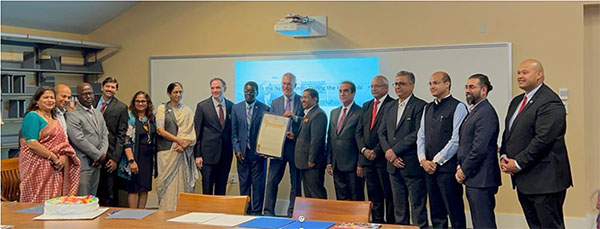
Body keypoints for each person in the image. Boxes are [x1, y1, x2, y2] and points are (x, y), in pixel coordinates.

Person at [500, 59, 572, 228]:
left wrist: (517, 163)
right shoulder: (517, 101)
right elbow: (508, 133)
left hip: (545, 180)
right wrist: (504, 155)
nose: (520, 76)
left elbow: (543, 139)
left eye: (525, 72)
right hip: (524, 179)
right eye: (518, 72)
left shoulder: (550, 102)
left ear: (539, 75)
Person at [417, 71, 467, 228]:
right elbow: (421, 136)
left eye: (436, 83)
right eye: (430, 83)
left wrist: (435, 161)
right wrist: (422, 160)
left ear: (447, 84)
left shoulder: (458, 107)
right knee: (436, 212)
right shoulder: (427, 107)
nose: (432, 86)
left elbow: (456, 140)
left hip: (447, 170)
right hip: (428, 169)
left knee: (454, 211)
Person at [378, 71, 428, 228]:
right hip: (392, 165)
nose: (398, 86)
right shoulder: (390, 106)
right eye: (396, 83)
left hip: (411, 164)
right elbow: (381, 132)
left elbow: (418, 133)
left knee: (417, 206)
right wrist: (389, 152)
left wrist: (395, 151)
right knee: (399, 207)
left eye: (402, 83)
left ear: (412, 85)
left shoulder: (420, 106)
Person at [19, 86, 81, 203]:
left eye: (52, 97)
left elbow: (63, 143)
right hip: (37, 166)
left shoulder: (55, 119)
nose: (50, 100)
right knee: (36, 200)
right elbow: (32, 144)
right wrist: (53, 157)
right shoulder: (32, 116)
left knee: (55, 200)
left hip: (56, 167)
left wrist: (63, 157)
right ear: (37, 102)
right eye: (45, 97)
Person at [456, 73, 501, 228]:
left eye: (472, 87)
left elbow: (479, 147)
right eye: (466, 87)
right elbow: (464, 143)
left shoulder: (486, 112)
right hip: (474, 178)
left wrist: (464, 170)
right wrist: (459, 166)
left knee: (484, 223)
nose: (468, 90)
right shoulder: (474, 111)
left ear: (483, 90)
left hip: (482, 178)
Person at [356, 75, 395, 223]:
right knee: (374, 196)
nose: (373, 89)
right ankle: (377, 223)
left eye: (377, 86)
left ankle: (390, 224)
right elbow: (358, 132)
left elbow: (388, 133)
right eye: (372, 86)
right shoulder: (366, 105)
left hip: (384, 159)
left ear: (385, 88)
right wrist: (364, 150)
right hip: (368, 160)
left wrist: (376, 151)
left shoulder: (392, 104)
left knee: (389, 195)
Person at [264, 72, 303, 217]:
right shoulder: (275, 102)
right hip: (277, 148)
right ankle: (268, 212)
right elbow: (270, 124)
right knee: (272, 181)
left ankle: (293, 213)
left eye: (289, 84)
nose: (286, 87)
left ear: (295, 85)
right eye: (284, 83)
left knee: (296, 183)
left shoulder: (302, 100)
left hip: (295, 147)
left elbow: (307, 122)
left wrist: (296, 128)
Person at [155, 82, 198, 210]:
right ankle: (165, 211)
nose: (178, 95)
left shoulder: (187, 110)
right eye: (175, 92)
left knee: (181, 184)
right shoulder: (162, 109)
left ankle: (181, 211)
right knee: (166, 185)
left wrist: (184, 145)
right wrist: (178, 140)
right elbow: (160, 130)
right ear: (169, 94)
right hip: (167, 153)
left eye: (180, 92)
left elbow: (190, 133)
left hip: (182, 154)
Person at [231, 81, 270, 215]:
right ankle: (245, 211)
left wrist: (265, 149)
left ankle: (257, 212)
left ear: (257, 92)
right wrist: (237, 150)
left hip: (258, 154)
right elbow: (234, 133)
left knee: (258, 186)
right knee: (244, 184)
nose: (249, 94)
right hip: (242, 153)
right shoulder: (236, 108)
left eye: (252, 91)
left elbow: (267, 133)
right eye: (246, 91)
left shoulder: (265, 108)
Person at [66, 83, 109, 196]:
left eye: (90, 93)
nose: (88, 97)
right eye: (84, 94)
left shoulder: (98, 113)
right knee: (82, 198)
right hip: (84, 163)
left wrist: (102, 154)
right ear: (78, 96)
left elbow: (104, 134)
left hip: (97, 163)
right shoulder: (72, 115)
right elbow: (78, 139)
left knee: (92, 199)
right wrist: (97, 155)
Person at [326, 81, 365, 201]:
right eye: (340, 91)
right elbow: (331, 138)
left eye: (346, 91)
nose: (342, 94)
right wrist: (329, 161)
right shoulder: (334, 112)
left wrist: (360, 163)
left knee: (355, 197)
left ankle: (357, 221)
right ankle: (343, 221)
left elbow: (362, 139)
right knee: (341, 198)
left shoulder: (360, 112)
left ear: (353, 93)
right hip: (337, 164)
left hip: (353, 165)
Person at [194, 78, 234, 195]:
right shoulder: (202, 106)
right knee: (207, 188)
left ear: (224, 89)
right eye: (212, 88)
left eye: (218, 87)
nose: (215, 90)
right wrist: (197, 155)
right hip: (207, 155)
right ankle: (207, 213)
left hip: (225, 155)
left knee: (221, 189)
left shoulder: (232, 106)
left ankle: (219, 212)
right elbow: (197, 132)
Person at [94, 77, 129, 207]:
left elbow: (121, 135)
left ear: (116, 90)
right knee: (92, 190)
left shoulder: (121, 107)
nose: (109, 89)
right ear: (102, 87)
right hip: (90, 152)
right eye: (107, 86)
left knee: (108, 191)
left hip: (109, 155)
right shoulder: (91, 102)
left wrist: (115, 158)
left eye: (113, 87)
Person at [123, 91, 157, 209]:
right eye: (137, 101)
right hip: (135, 156)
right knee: (134, 188)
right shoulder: (130, 118)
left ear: (147, 103)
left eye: (143, 101)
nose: (140, 103)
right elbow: (126, 141)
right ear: (134, 102)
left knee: (144, 188)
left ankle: (141, 215)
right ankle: (133, 218)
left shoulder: (151, 118)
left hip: (147, 159)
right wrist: (131, 161)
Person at [294, 88, 328, 199]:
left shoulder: (318, 114)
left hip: (312, 164)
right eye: (302, 97)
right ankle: (313, 216)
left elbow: (316, 140)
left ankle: (321, 216)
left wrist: (311, 160)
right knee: (308, 194)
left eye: (306, 97)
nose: (302, 100)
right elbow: (306, 136)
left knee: (316, 193)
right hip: (304, 163)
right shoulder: (308, 113)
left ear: (315, 99)